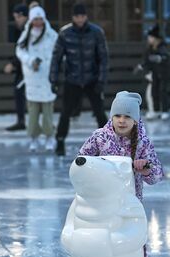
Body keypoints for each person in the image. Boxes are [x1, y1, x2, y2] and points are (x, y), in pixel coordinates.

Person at [78, 91, 164, 257]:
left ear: (136, 119)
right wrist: (95, 170)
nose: (122, 120)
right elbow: (81, 162)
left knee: (136, 247)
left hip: (130, 206)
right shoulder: (100, 137)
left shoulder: (143, 142)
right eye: (117, 115)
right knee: (101, 245)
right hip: (102, 204)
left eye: (127, 116)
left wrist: (145, 169)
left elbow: (157, 175)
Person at [50, 2, 108, 156]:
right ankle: (60, 141)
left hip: (92, 79)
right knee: (66, 113)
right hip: (73, 79)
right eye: (77, 16)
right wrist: (53, 80)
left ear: (86, 16)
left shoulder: (96, 32)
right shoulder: (65, 33)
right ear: (73, 17)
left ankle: (108, 142)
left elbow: (103, 58)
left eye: (82, 16)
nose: (80, 19)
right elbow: (56, 58)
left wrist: (101, 80)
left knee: (100, 112)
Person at [15, 6, 58, 152]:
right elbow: (20, 51)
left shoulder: (51, 35)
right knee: (33, 112)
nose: (38, 22)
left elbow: (57, 52)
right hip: (33, 78)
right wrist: (30, 60)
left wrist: (51, 67)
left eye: (40, 19)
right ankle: (33, 137)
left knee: (47, 111)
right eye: (35, 19)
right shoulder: (26, 34)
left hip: (47, 78)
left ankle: (49, 136)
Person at [135, 25, 170, 120]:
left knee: (163, 91)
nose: (149, 39)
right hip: (154, 72)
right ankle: (156, 110)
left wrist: (160, 58)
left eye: (151, 37)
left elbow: (165, 57)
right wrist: (141, 66)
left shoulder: (162, 47)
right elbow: (146, 60)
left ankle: (165, 111)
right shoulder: (149, 49)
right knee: (154, 91)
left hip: (163, 73)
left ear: (156, 38)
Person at [4, 4, 29, 132]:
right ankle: (21, 121)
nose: (16, 20)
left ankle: (25, 121)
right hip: (22, 68)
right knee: (19, 92)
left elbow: (24, 50)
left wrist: (13, 64)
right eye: (15, 17)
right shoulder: (20, 30)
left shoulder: (29, 30)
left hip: (31, 69)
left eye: (18, 17)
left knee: (36, 95)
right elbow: (20, 50)